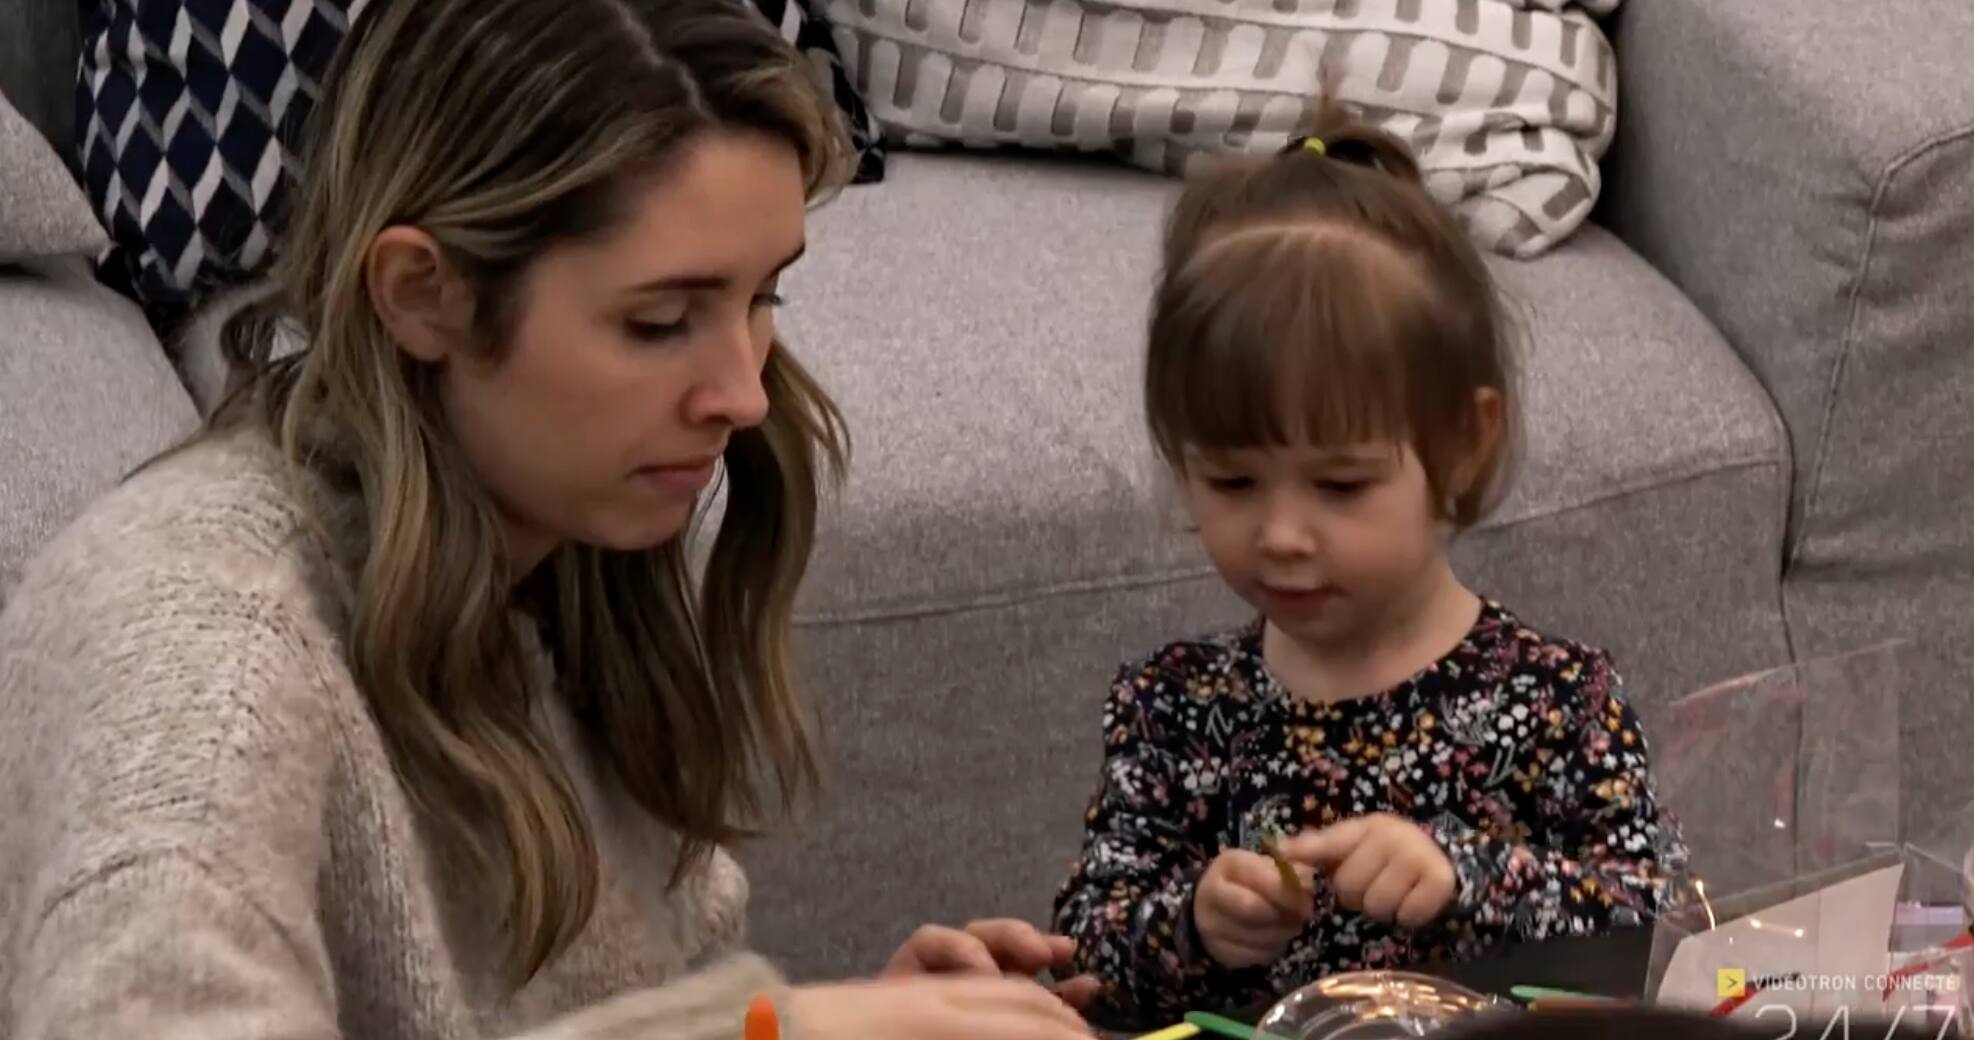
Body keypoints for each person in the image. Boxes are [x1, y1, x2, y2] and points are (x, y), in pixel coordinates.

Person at [0, 1, 1093, 1037]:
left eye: (765, 299)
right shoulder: (198, 663)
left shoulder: (560, 559)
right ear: (424, 294)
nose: (746, 393)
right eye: (661, 320)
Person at [1050, 108, 1690, 1027]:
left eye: (1340, 485)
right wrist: (1193, 923)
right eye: (1230, 479)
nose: (1281, 534)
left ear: (1466, 444)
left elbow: (1666, 928)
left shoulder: (1556, 698)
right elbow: (1080, 956)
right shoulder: (1173, 707)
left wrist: (1465, 878)